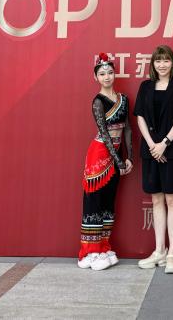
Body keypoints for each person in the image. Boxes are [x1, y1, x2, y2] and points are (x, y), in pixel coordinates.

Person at [134, 44, 173, 274]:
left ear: (172, 63)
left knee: (172, 200)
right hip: (150, 151)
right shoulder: (145, 86)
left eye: (166, 60)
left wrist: (164, 143)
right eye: (158, 60)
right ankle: (159, 250)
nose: (162, 64)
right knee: (156, 200)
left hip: (172, 151)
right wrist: (152, 145)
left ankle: (172, 254)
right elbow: (139, 116)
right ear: (153, 64)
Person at [77, 53, 133, 270]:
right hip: (100, 155)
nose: (107, 77)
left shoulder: (124, 99)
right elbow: (105, 134)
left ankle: (103, 247)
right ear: (96, 77)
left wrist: (129, 157)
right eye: (102, 74)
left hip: (117, 156)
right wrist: (119, 161)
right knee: (94, 202)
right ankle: (89, 252)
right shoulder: (98, 102)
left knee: (109, 203)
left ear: (114, 74)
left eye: (110, 72)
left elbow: (127, 129)